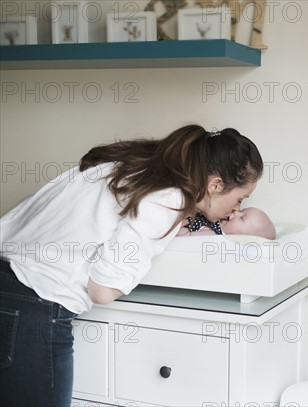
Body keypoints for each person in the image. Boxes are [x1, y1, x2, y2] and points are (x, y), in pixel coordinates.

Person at [0, 124, 264, 406]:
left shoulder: (129, 166)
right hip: (38, 302)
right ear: (215, 185)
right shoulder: (169, 199)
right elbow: (101, 290)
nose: (236, 208)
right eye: (240, 199)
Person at [177, 207, 276, 240]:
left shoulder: (214, 234)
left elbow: (186, 236)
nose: (236, 212)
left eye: (241, 218)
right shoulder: (218, 220)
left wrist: (183, 221)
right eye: (242, 210)